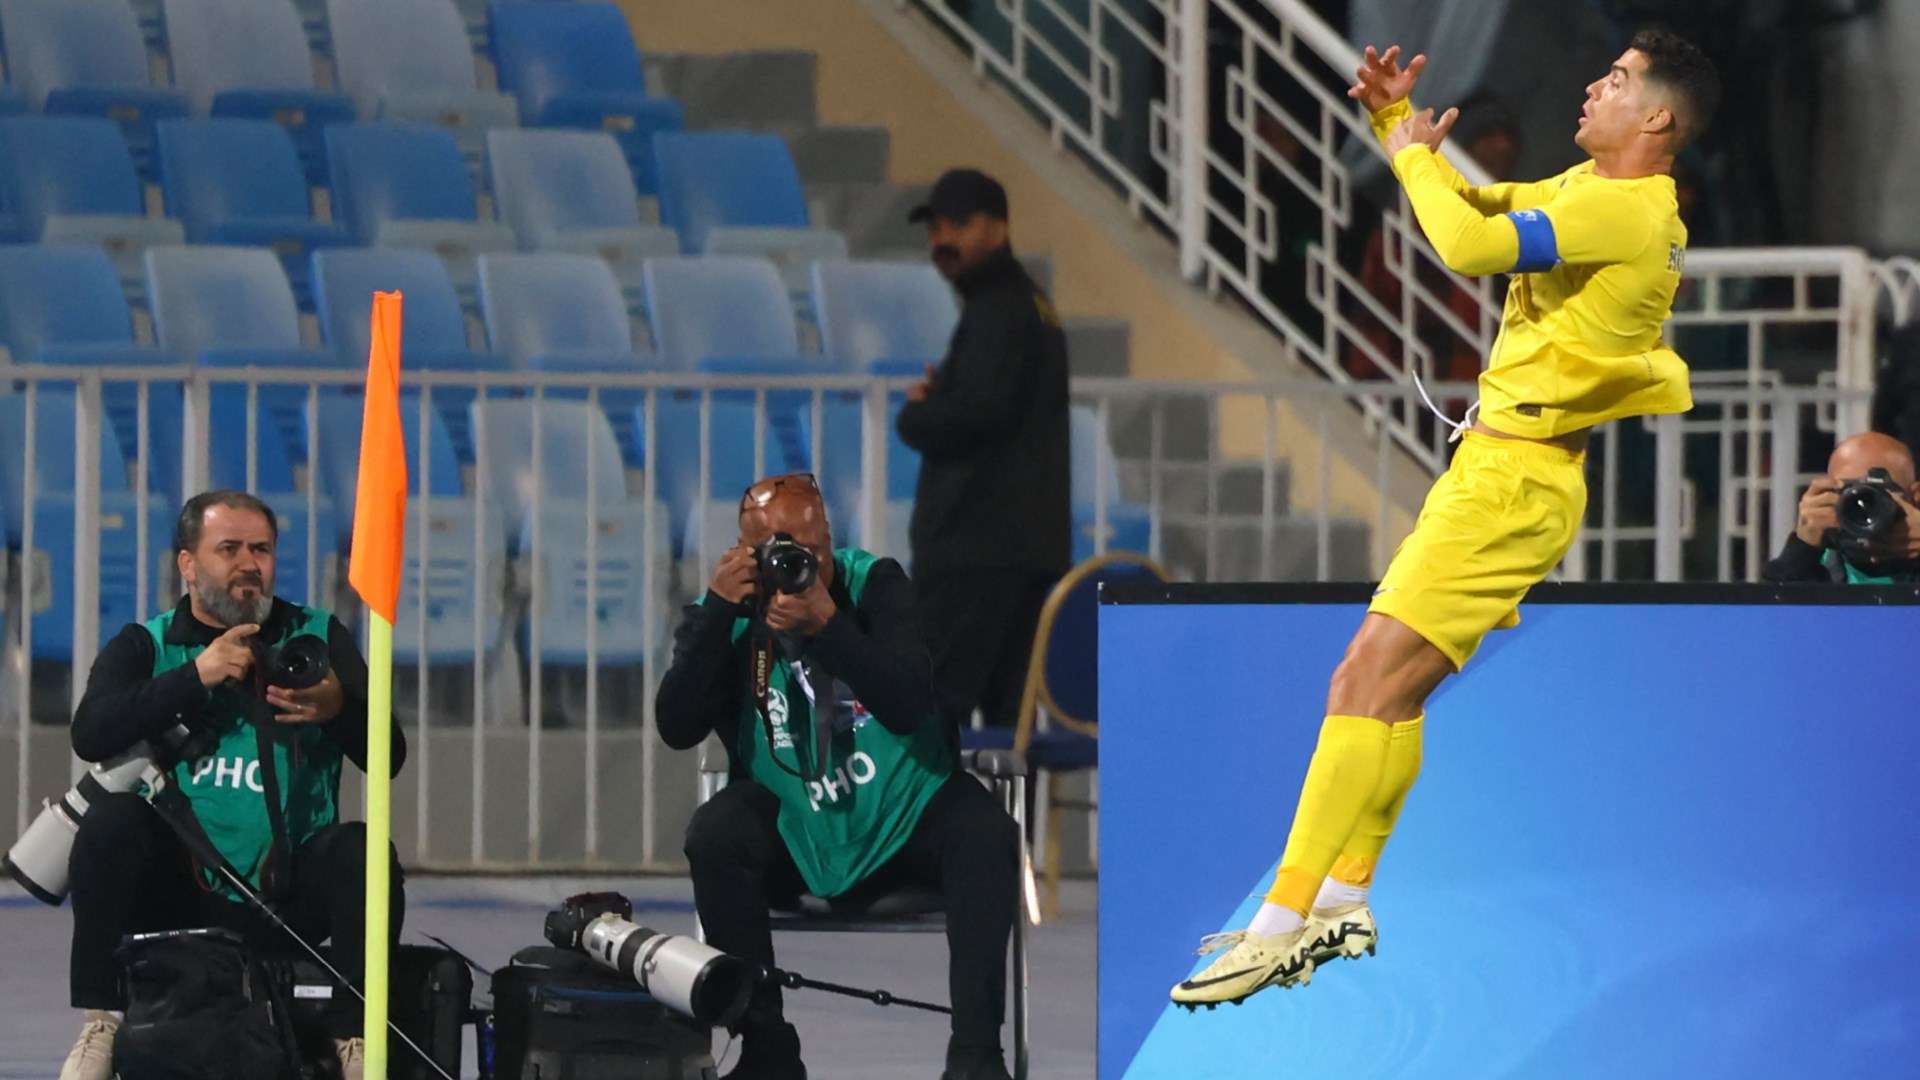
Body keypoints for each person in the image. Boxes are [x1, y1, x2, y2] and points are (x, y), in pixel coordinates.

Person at [1171, 31, 1721, 1007]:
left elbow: (1464, 247)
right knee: (1396, 692)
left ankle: (1278, 922)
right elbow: (1480, 208)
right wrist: (1395, 129)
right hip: (1513, 477)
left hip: (1510, 485)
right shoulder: (1608, 198)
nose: (1593, 86)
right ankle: (1344, 896)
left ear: (1660, 119)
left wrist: (1411, 152)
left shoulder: (1621, 210)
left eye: (1619, 81)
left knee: (1360, 678)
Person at [657, 473, 1021, 1080]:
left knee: (987, 834)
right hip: (794, 822)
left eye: (810, 548)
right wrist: (720, 613)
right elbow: (676, 725)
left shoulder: (877, 585)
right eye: (777, 552)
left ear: (829, 536)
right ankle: (767, 1048)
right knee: (715, 835)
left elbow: (910, 703)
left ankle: (977, 1059)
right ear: (747, 555)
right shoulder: (728, 612)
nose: (798, 563)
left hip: (904, 810)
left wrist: (830, 628)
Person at [59, 491, 407, 1080]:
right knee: (111, 823)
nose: (250, 563)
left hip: (289, 887)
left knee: (365, 852)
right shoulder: (148, 642)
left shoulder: (316, 635)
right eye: (229, 549)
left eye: (262, 549)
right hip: (184, 890)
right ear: (188, 565)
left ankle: (356, 1038)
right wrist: (195, 675)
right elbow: (90, 733)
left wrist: (338, 707)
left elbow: (389, 755)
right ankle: (102, 1021)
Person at [898, 168, 1071, 732]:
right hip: (1022, 552)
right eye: (935, 228)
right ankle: (1004, 824)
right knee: (1007, 730)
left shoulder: (999, 310)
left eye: (959, 225)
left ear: (999, 228)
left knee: (934, 719)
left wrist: (919, 412)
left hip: (976, 555)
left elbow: (982, 413)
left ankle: (936, 825)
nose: (942, 241)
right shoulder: (1031, 305)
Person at [1763, 432, 1920, 584]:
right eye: (1849, 491)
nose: (1863, 505)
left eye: (1878, 491)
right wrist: (1803, 548)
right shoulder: (1819, 563)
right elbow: (1777, 606)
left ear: (1915, 496)